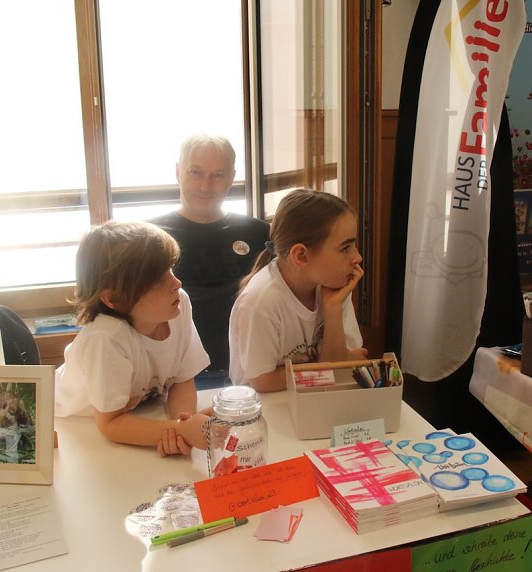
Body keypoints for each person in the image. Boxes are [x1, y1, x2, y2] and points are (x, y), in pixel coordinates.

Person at [54, 221, 211, 457]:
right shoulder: (105, 337)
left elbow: (182, 379)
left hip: (137, 412)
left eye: (171, 269)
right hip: (74, 425)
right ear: (113, 299)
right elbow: (111, 424)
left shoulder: (178, 304)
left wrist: (182, 424)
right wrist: (178, 430)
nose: (176, 283)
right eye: (158, 280)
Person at [149, 135, 269, 383]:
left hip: (249, 371)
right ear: (178, 172)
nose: (205, 186)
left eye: (217, 175)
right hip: (170, 378)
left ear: (231, 178)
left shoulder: (259, 233)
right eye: (195, 172)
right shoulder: (148, 238)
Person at [229, 189, 368, 392]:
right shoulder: (260, 302)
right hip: (265, 408)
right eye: (345, 248)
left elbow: (339, 374)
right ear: (301, 255)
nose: (357, 257)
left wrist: (332, 309)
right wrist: (328, 367)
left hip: (313, 398)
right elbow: (263, 383)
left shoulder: (333, 287)